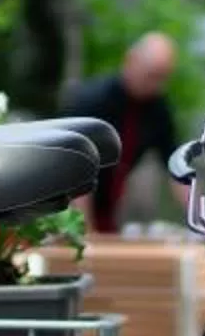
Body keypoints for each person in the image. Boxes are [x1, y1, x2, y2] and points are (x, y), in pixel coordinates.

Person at [61, 30, 180, 232]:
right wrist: (86, 233)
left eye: (162, 78)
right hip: (66, 204)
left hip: (109, 206)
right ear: (131, 61)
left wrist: (200, 221)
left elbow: (177, 168)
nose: (155, 85)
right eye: (151, 75)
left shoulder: (158, 109)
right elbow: (73, 171)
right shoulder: (90, 102)